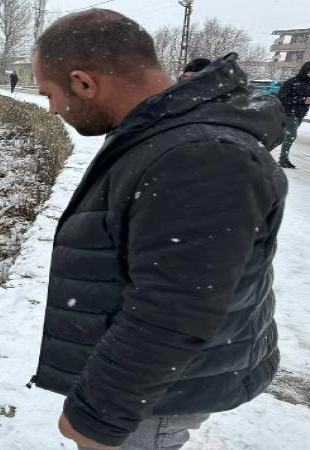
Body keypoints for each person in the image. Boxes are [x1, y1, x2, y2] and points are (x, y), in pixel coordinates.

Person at [29, 9, 286, 450]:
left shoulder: (198, 155)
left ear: (83, 83)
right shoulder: (161, 135)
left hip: (153, 399)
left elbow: (173, 309)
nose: (51, 110)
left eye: (50, 95)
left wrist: (99, 416)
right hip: (150, 385)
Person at [276, 61, 310, 168]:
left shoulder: (308, 83)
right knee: (291, 135)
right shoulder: (291, 82)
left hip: (300, 113)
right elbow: (282, 97)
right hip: (289, 112)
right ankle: (283, 159)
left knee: (286, 135)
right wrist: (303, 100)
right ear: (305, 71)